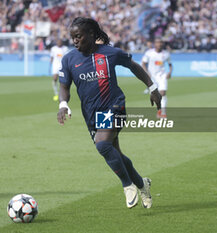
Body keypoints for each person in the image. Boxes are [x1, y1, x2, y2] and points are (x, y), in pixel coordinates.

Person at [57, 17, 162, 209]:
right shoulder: (69, 59)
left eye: (78, 37)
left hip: (114, 107)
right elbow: (64, 85)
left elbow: (134, 66)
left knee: (103, 145)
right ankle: (142, 184)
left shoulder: (109, 53)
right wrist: (63, 103)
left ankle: (127, 185)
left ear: (91, 34)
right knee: (116, 154)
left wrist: (152, 87)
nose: (74, 41)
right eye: (72, 37)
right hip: (91, 114)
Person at [142, 38, 173, 118]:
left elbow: (170, 64)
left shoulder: (166, 54)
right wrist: (146, 73)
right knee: (155, 95)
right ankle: (159, 110)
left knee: (163, 92)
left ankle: (163, 112)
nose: (159, 44)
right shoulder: (149, 53)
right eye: (157, 42)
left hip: (162, 76)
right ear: (154, 44)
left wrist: (169, 72)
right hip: (152, 77)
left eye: (161, 42)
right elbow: (143, 63)